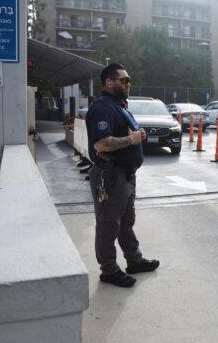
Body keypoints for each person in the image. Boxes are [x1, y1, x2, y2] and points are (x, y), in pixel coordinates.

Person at [85, 63, 159, 287]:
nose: (129, 84)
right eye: (124, 80)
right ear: (109, 82)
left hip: (126, 175)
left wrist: (138, 135)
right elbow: (101, 143)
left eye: (129, 80)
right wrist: (132, 140)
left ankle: (134, 260)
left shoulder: (119, 106)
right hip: (111, 176)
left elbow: (126, 135)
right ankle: (109, 270)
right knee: (108, 224)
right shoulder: (102, 108)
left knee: (126, 222)